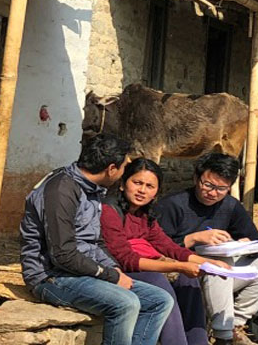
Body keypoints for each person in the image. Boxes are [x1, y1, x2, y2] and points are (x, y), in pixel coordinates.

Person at [21, 134, 174, 345]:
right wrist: (109, 275)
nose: (123, 173)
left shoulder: (92, 189)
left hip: (83, 272)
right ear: (112, 169)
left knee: (160, 300)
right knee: (125, 303)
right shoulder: (61, 190)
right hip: (51, 276)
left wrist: (113, 268)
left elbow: (95, 241)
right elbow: (62, 255)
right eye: (124, 168)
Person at [100, 157, 231, 345]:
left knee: (188, 280)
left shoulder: (145, 215)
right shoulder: (109, 210)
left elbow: (169, 246)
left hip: (142, 265)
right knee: (158, 281)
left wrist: (206, 262)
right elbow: (125, 259)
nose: (142, 190)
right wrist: (178, 266)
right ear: (122, 184)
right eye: (137, 183)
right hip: (117, 269)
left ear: (156, 193)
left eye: (149, 186)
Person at [156, 153, 258, 345]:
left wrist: (240, 244)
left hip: (221, 275)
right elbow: (157, 247)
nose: (213, 193)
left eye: (222, 188)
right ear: (196, 178)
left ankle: (235, 324)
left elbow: (257, 241)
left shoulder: (230, 205)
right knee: (220, 266)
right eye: (208, 185)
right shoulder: (173, 205)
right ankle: (223, 336)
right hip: (187, 273)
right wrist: (193, 239)